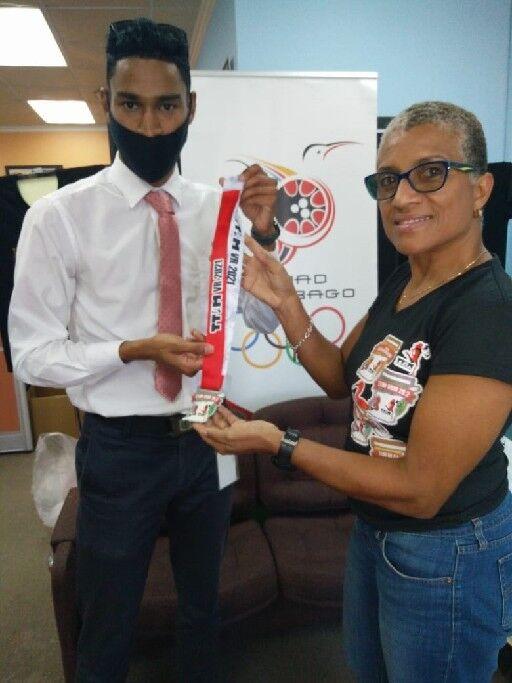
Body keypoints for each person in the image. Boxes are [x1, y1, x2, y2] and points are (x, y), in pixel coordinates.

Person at [194, 101, 512, 682]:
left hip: (445, 550)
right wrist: (288, 302)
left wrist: (277, 441)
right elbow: (341, 377)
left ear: (482, 188)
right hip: (376, 531)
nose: (404, 197)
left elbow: (420, 490)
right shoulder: (409, 278)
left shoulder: (486, 311)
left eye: (431, 173)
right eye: (389, 181)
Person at [8, 18, 280, 683]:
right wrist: (131, 348)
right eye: (132, 104)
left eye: (168, 105)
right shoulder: (59, 217)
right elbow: (32, 354)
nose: (152, 125)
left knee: (202, 609)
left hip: (206, 437)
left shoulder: (217, 211)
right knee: (109, 617)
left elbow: (253, 318)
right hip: (120, 449)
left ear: (192, 107)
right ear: (107, 102)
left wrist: (263, 230)